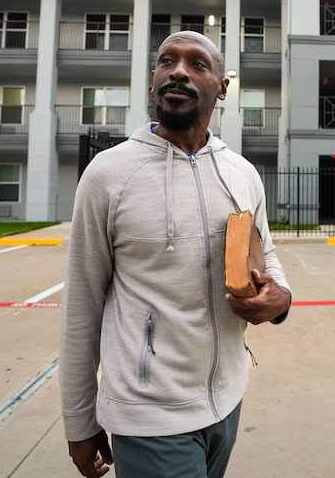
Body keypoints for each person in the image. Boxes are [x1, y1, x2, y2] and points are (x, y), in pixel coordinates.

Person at [60, 30, 292, 478]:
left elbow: (268, 255)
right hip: (150, 413)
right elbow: (81, 306)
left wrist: (281, 299)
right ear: (154, 78)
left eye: (198, 64)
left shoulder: (241, 173)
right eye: (168, 61)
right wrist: (80, 420)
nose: (179, 71)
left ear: (222, 87)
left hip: (227, 401)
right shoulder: (108, 174)